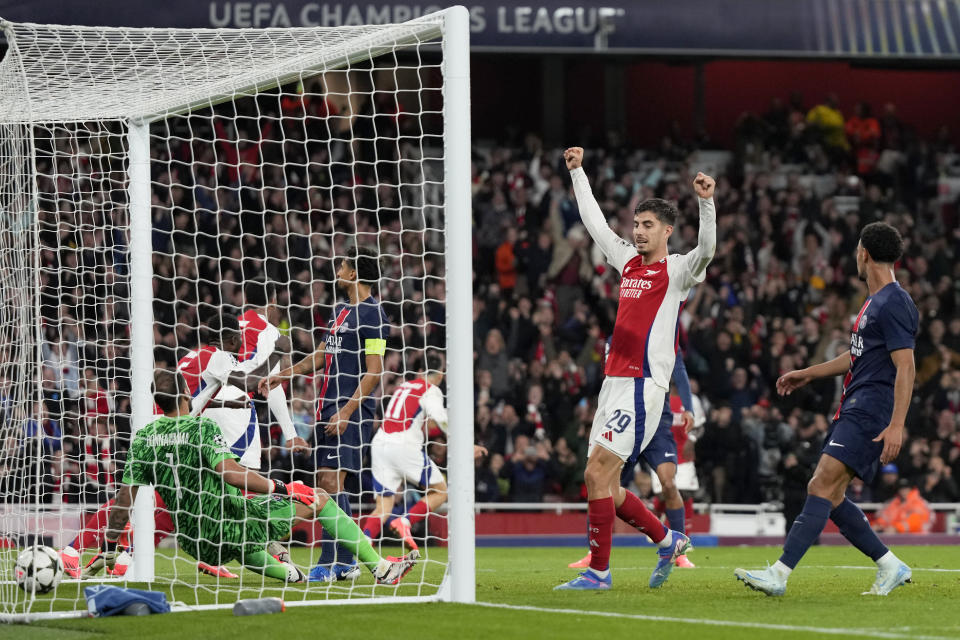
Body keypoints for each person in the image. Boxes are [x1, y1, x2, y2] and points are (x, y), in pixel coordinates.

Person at [83, 369, 417, 585]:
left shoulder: (143, 438)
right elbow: (229, 472)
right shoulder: (200, 427)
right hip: (231, 524)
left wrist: (110, 546)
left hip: (194, 542)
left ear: (157, 402)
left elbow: (124, 499)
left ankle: (288, 573)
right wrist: (284, 487)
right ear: (186, 397)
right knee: (318, 498)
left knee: (250, 536)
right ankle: (381, 570)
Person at [555, 147, 716, 591]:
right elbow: (594, 224)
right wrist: (578, 173)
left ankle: (599, 573)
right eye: (637, 224)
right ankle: (666, 540)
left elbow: (708, 249)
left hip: (644, 387)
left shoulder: (679, 270)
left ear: (666, 231)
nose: (639, 232)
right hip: (613, 383)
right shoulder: (626, 260)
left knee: (597, 474)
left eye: (648, 226)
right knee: (602, 482)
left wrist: (707, 203)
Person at [736, 222, 918, 597]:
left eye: (855, 250)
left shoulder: (894, 302)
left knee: (821, 483)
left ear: (863, 253)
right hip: (854, 405)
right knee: (831, 494)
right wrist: (807, 373)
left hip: (871, 409)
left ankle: (780, 574)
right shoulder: (874, 302)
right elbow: (855, 357)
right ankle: (889, 565)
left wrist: (897, 424)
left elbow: (907, 365)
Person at [262, 246, 388, 582]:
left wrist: (347, 410)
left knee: (332, 483)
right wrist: (283, 374)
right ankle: (345, 563)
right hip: (326, 409)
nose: (339, 268)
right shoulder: (339, 312)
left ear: (354, 274)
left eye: (344, 264)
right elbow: (320, 355)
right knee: (326, 484)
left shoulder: (374, 314)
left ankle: (334, 559)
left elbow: (374, 371)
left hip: (352, 409)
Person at [568, 352, 699, 570]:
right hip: (626, 418)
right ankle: (597, 554)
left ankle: (678, 553)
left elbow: (679, 370)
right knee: (604, 483)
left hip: (657, 423)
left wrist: (689, 408)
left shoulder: (660, 334)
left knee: (668, 483)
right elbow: (609, 379)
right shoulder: (615, 339)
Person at [361, 353, 449, 551]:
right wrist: (463, 444)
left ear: (419, 372)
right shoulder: (431, 389)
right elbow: (441, 420)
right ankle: (405, 522)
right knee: (440, 491)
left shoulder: (403, 386)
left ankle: (364, 543)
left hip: (380, 443)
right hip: (403, 446)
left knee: (383, 506)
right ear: (441, 375)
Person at [179, 313, 282, 469]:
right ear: (234, 340)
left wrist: (228, 403)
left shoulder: (193, 355)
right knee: (230, 473)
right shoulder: (219, 356)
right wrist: (278, 352)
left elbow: (191, 402)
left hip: (157, 422)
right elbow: (250, 384)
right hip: (175, 431)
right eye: (240, 338)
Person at [239, 280, 309, 454]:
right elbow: (272, 384)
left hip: (211, 405)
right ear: (273, 302)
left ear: (246, 300)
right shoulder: (268, 331)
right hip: (238, 409)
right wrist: (291, 435)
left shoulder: (230, 324)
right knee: (246, 473)